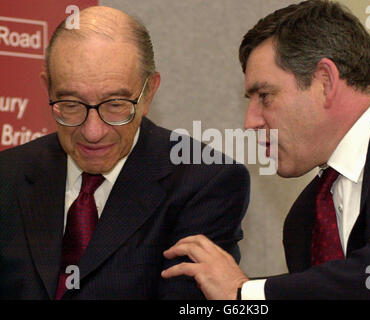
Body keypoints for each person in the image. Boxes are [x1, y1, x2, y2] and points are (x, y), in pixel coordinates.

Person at [161, 0, 370, 299]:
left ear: (325, 81)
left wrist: (245, 294)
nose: (251, 122)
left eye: (265, 95)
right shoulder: (304, 221)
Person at [0, 6, 249, 300]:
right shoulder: (8, 175)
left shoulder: (204, 182)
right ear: (47, 89)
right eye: (71, 104)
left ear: (149, 93)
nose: (93, 132)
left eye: (115, 104)